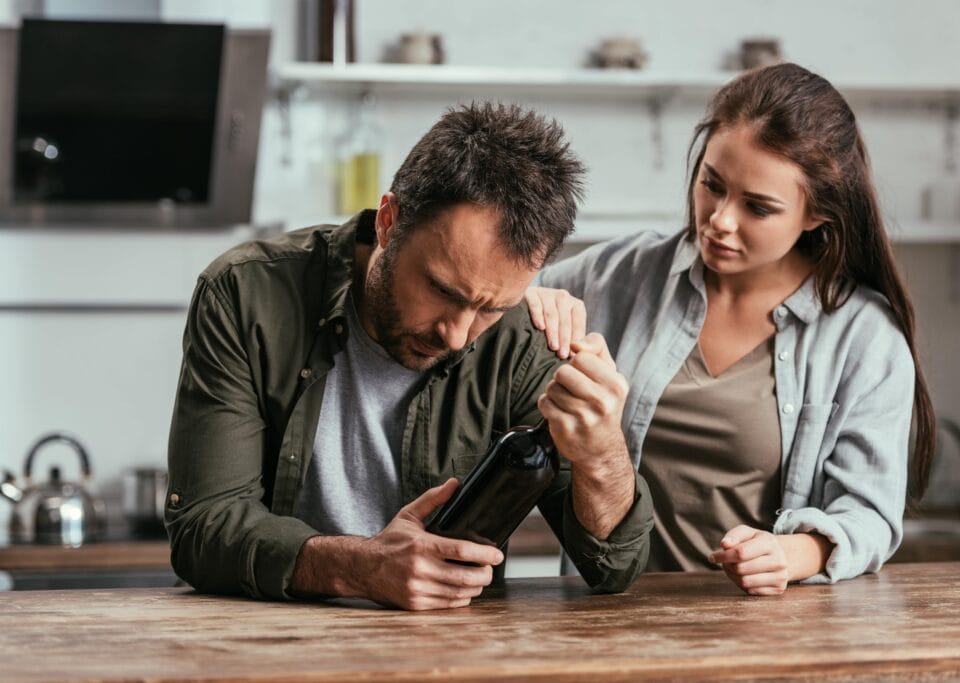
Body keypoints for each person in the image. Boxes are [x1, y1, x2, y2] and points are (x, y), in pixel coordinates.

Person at [166, 102, 653, 610]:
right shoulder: (246, 293)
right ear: (388, 222)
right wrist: (363, 567)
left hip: (447, 655)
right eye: (443, 290)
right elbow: (203, 527)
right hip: (272, 642)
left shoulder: (523, 337)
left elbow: (614, 566)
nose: (459, 334)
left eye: (491, 307)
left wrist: (602, 453)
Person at [526, 63, 935, 595]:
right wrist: (530, 294)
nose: (720, 220)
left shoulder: (864, 337)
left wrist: (792, 552)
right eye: (711, 185)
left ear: (818, 214)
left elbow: (869, 516)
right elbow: (488, 300)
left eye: (758, 207)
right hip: (608, 621)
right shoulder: (620, 276)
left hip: (764, 633)